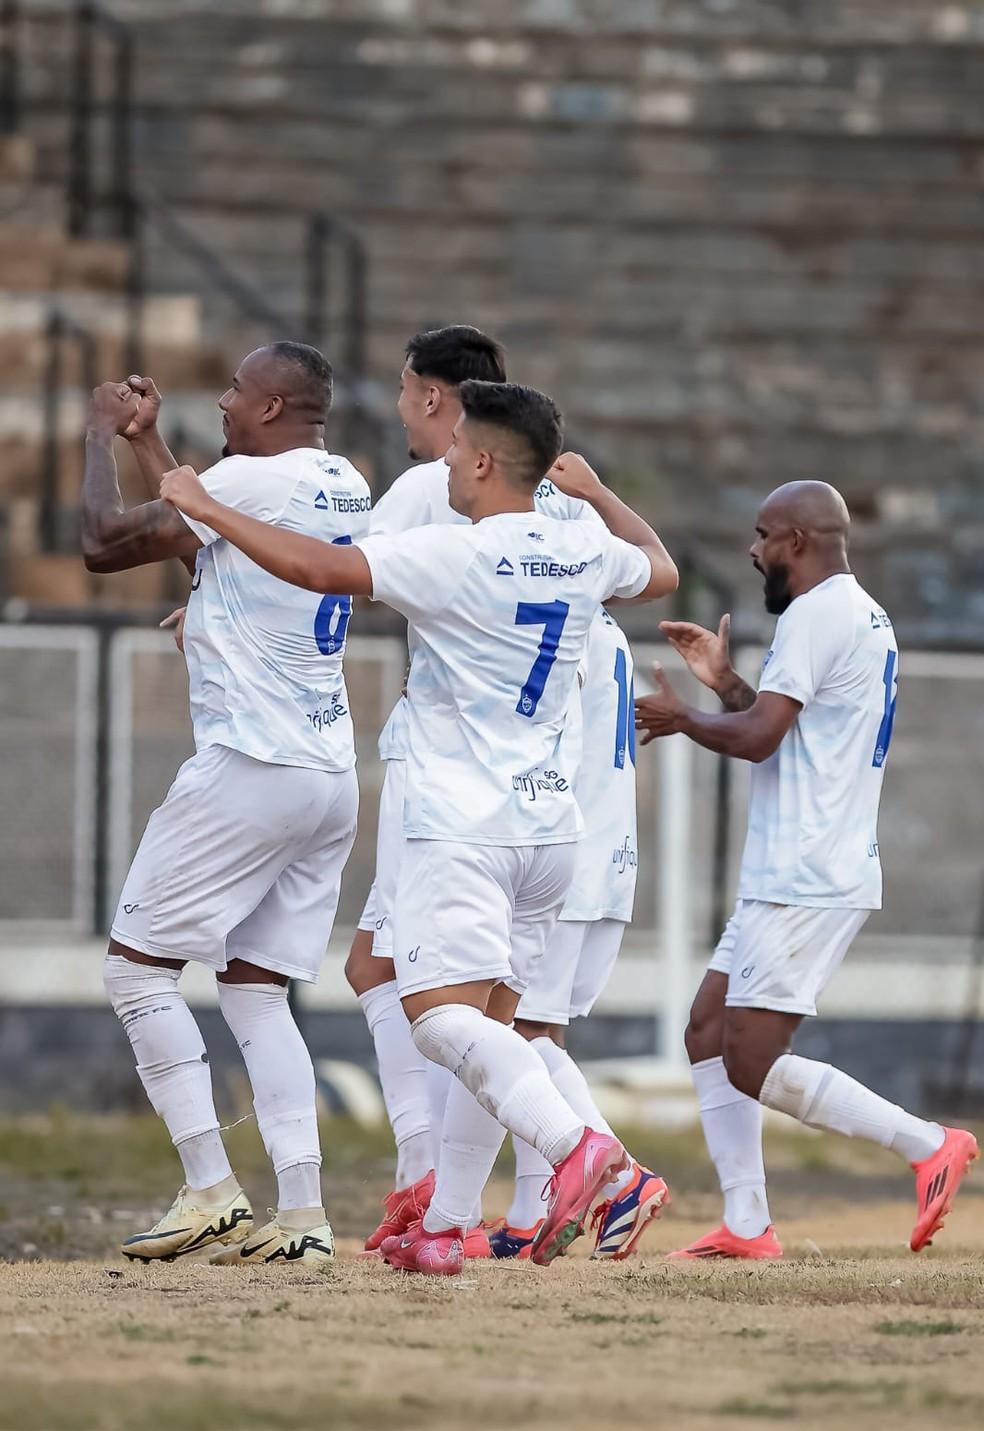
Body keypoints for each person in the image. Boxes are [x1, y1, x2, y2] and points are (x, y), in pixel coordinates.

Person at [160, 379, 679, 1275]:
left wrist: (205, 505)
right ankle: (445, 1222)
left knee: (435, 1020)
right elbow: (661, 567)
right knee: (497, 1032)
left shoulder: (457, 552)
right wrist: (597, 494)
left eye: (455, 450)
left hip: (463, 824)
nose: (443, 462)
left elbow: (322, 571)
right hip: (553, 828)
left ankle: (587, 1154)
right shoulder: (578, 547)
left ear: (481, 459)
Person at [633, 480, 978, 1260]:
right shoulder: (858, 612)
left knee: (749, 1056)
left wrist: (685, 716)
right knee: (706, 1029)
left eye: (761, 536)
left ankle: (928, 1143)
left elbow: (759, 739)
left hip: (809, 869)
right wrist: (723, 685)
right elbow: (788, 728)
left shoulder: (818, 612)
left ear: (796, 539)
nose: (752, 552)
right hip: (797, 864)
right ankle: (748, 1224)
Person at [81, 343, 369, 1266]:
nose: (224, 398)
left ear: (276, 403)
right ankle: (307, 1216)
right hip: (327, 773)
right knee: (255, 990)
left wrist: (98, 438)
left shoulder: (248, 480)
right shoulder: (341, 479)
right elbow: (214, 525)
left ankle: (210, 1187)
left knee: (136, 973)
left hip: (251, 764)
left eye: (238, 389)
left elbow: (104, 544)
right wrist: (151, 439)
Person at [344, 326, 509, 1256]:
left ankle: (442, 1192)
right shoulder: (549, 490)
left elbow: (343, 583)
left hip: (441, 763)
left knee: (432, 991)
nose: (402, 409)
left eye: (407, 393)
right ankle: (437, 1187)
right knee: (388, 969)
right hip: (527, 772)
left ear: (438, 398)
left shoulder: (424, 488)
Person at [491, 604, 669, 1261]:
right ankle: (527, 1212)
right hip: (610, 857)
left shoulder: (558, 620)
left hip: (566, 856)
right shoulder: (608, 625)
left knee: (507, 1033)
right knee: (536, 1034)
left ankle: (623, 1176)